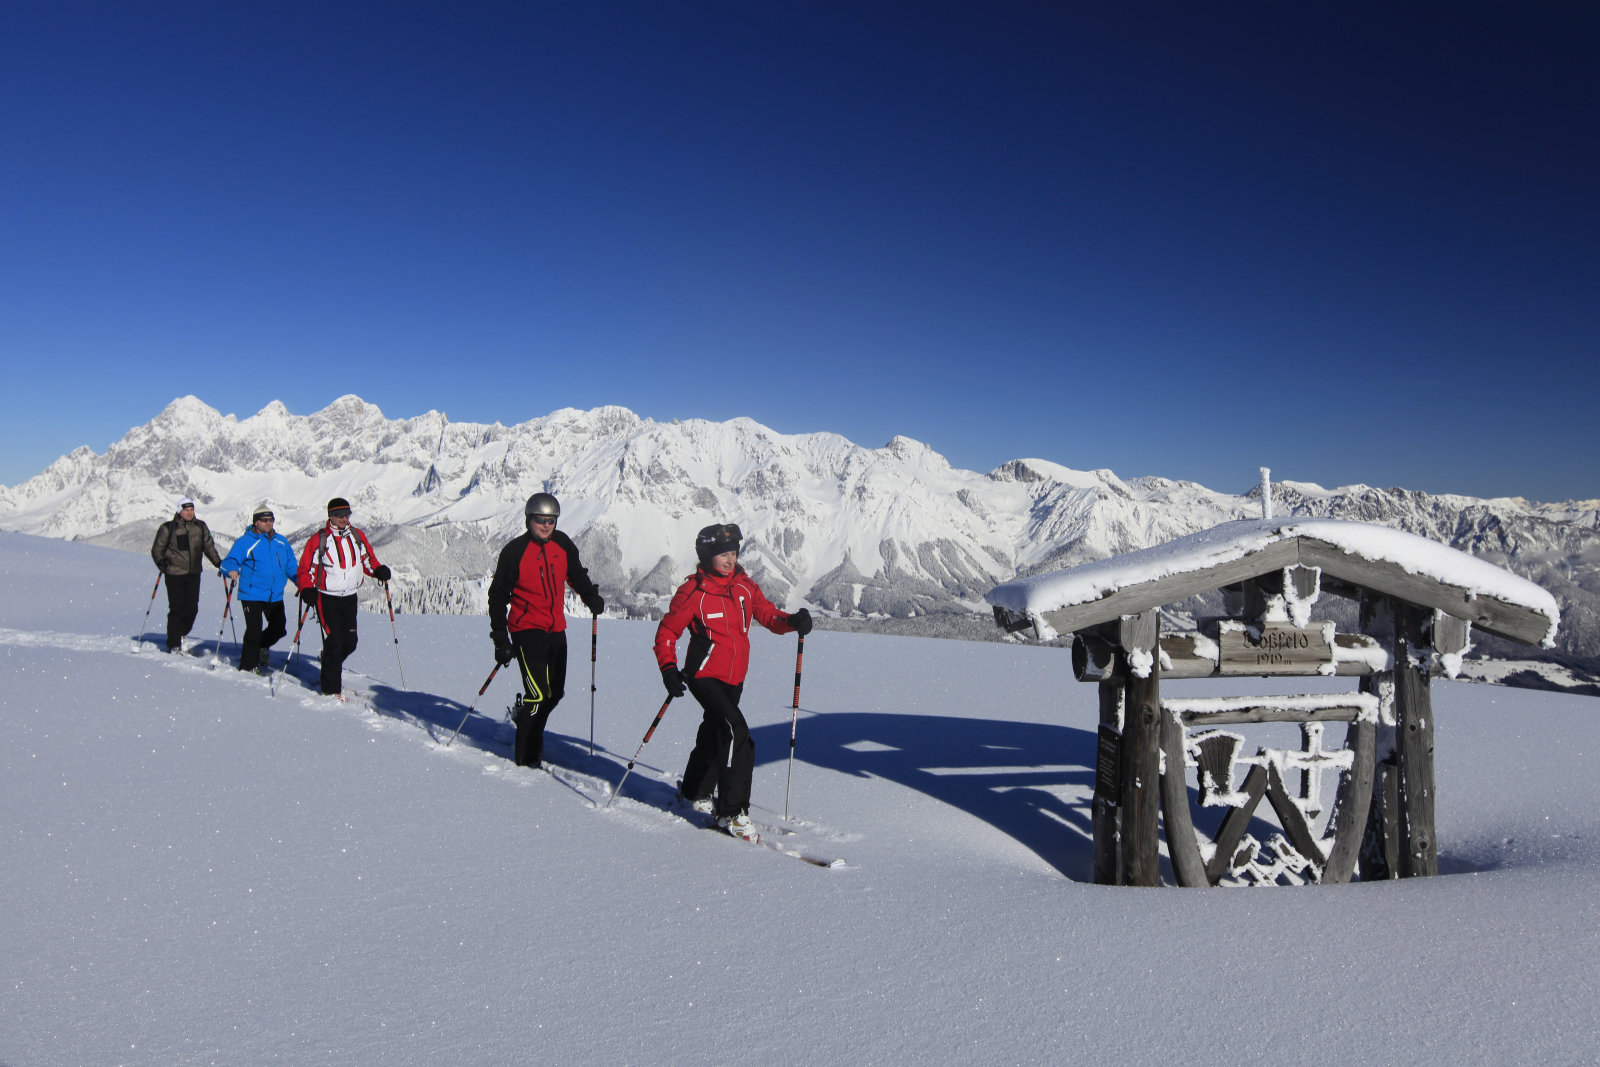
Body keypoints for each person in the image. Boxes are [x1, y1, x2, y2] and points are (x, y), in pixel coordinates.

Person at [653, 523, 811, 842]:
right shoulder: (693, 591)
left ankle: (694, 790)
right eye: (722, 553)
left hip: (734, 677)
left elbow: (767, 615)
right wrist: (669, 670)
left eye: (733, 552)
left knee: (714, 730)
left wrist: (792, 621)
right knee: (736, 733)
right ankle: (731, 812)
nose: (729, 558)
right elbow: (667, 633)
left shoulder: (744, 586)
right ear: (707, 555)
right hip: (704, 675)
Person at [488, 493, 604, 769]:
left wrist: (590, 596)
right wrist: (500, 639)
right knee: (537, 696)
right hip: (526, 630)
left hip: (556, 628)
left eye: (551, 520)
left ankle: (526, 719)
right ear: (529, 519)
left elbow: (575, 573)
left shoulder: (562, 544)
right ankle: (526, 760)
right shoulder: (515, 552)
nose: (546, 525)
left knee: (555, 693)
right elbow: (497, 597)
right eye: (541, 520)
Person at [296, 497, 390, 698]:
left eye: (347, 514)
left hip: (349, 597)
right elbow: (305, 568)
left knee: (350, 642)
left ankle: (329, 660)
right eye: (339, 515)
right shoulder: (319, 539)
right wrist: (306, 589)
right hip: (326, 598)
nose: (344, 518)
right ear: (330, 516)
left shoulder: (356, 536)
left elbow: (367, 559)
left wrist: (378, 570)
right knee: (335, 641)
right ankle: (331, 691)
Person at [219, 504, 298, 674]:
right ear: (256, 522)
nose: (268, 523)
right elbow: (228, 561)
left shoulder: (280, 542)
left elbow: (291, 565)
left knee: (279, 628)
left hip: (274, 594)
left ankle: (262, 646)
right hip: (252, 593)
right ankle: (248, 666)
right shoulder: (245, 542)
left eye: (271, 520)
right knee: (253, 630)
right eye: (264, 520)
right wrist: (231, 570)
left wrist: (301, 582)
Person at [149, 497, 223, 653]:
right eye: (186, 510)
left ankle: (181, 633)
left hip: (194, 573)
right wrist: (163, 565)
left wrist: (219, 563)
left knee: (192, 608)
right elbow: (157, 550)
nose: (189, 513)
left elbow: (208, 547)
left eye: (191, 510)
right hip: (174, 574)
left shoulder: (200, 527)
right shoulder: (168, 528)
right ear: (179, 511)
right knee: (177, 608)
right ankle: (174, 643)